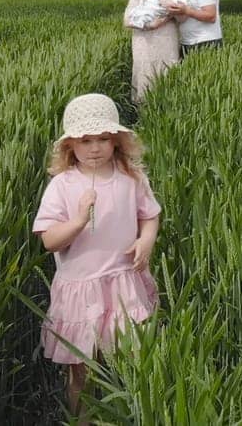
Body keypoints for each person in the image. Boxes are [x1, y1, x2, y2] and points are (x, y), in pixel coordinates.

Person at [32, 93, 161, 418]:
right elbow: (49, 240)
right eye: (85, 140)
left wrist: (146, 240)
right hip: (81, 288)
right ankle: (83, 419)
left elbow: (150, 214)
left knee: (133, 361)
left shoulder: (131, 178)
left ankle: (127, 413)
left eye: (103, 138)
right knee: (81, 371)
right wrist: (77, 220)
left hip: (123, 284)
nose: (94, 148)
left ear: (117, 141)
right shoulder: (62, 186)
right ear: (69, 146)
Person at [123, 0, 180, 103]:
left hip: (168, 44)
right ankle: (144, 121)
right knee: (146, 80)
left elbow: (184, 20)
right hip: (145, 45)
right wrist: (151, 25)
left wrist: (175, 12)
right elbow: (127, 20)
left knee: (168, 78)